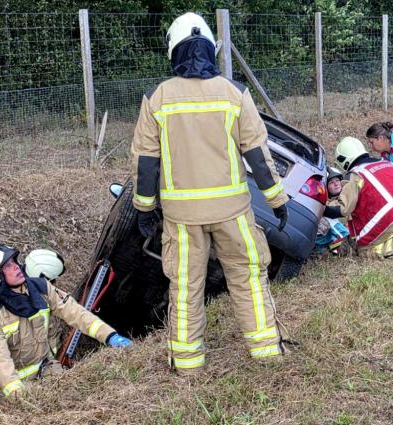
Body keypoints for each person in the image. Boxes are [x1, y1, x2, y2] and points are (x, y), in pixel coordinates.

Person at [129, 13, 288, 373]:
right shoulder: (235, 95)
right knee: (248, 278)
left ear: (173, 49)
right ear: (209, 48)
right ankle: (267, 355)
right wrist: (277, 200)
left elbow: (146, 163)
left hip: (183, 219)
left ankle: (187, 366)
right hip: (234, 212)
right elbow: (259, 156)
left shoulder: (158, 99)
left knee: (185, 288)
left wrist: (143, 208)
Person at [0, 244, 132, 404]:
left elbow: (76, 313)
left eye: (14, 262)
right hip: (2, 390)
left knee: (74, 399)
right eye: (8, 266)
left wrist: (110, 336)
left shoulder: (41, 288)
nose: (16, 267)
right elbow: (1, 363)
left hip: (45, 369)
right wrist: (20, 398)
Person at [324, 136, 393, 259]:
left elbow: (341, 209)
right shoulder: (386, 163)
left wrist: (321, 206)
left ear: (343, 160)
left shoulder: (355, 174)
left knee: (363, 251)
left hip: (392, 217)